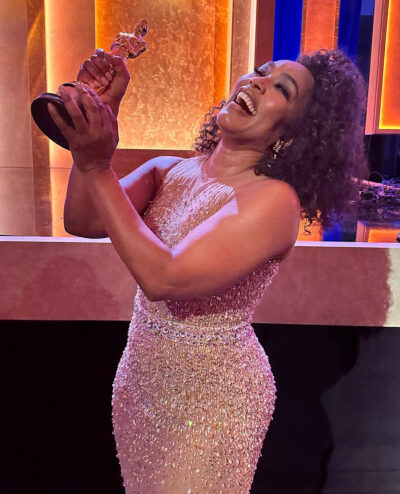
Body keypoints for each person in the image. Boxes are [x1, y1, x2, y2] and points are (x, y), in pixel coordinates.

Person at [48, 47, 368, 493]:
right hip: (140, 385)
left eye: (281, 88)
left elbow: (163, 278)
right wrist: (105, 113)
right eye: (260, 72)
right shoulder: (169, 171)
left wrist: (98, 163)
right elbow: (82, 220)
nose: (257, 81)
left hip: (213, 402)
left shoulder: (274, 201)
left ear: (293, 136)